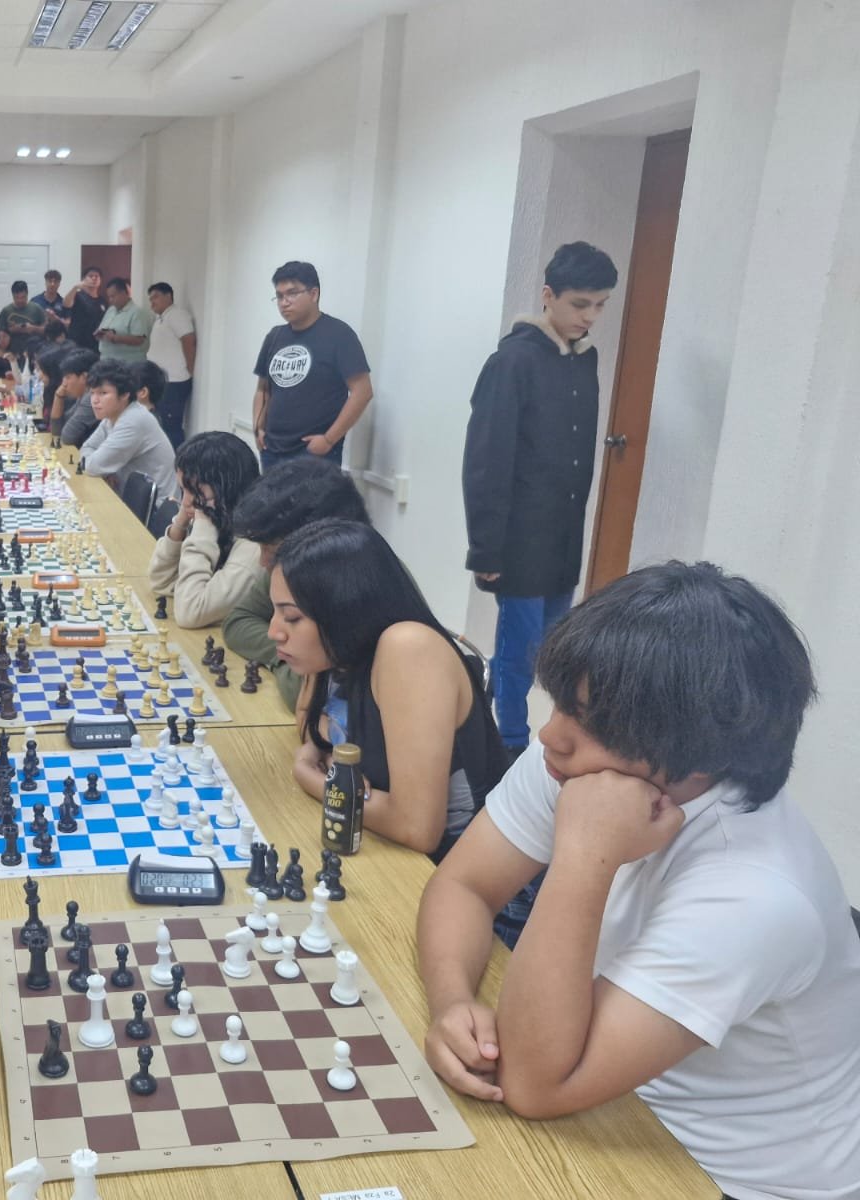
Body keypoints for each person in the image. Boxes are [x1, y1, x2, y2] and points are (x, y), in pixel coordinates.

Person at [416, 563, 860, 1199]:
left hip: (731, 1179)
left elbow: (535, 1085)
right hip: (613, 1109)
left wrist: (582, 855)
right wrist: (452, 999)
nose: (550, 734)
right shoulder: (590, 762)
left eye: (591, 720)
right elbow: (464, 886)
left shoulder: (758, 894)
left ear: (700, 756)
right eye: (563, 702)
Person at [462, 241, 618, 762]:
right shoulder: (512, 362)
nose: (590, 317)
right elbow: (486, 461)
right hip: (519, 540)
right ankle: (508, 743)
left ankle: (532, 730)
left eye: (600, 305)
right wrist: (486, 548)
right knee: (519, 650)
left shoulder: (583, 361)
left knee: (554, 649)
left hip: (563, 537)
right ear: (548, 295)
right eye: (580, 304)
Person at [270, 519, 505, 855]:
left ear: (343, 609)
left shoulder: (408, 649)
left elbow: (417, 828)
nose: (274, 632)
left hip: (457, 865)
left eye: (292, 617)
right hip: (388, 846)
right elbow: (308, 719)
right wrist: (320, 752)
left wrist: (313, 778)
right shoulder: (334, 652)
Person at [222, 458, 369, 712]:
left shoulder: (363, 587)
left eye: (270, 549)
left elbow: (301, 694)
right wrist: (285, 653)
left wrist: (292, 657)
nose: (263, 562)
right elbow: (238, 621)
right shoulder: (291, 568)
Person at [252, 260, 372, 471]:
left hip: (314, 452)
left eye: (292, 293)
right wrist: (258, 428)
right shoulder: (275, 336)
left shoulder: (339, 335)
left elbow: (362, 392)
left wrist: (328, 439)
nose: (284, 302)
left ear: (314, 294)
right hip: (272, 449)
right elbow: (263, 389)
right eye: (279, 296)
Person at [148, 432, 261, 628]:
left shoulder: (253, 547)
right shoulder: (220, 520)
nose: (185, 501)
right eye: (183, 490)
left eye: (195, 492)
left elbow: (190, 612)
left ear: (226, 490)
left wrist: (202, 527)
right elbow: (162, 582)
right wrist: (181, 522)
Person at [79, 359, 178, 501]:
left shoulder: (133, 420)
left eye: (103, 393)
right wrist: (104, 470)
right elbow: (87, 448)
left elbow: (92, 466)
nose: (95, 400)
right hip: (130, 497)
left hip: (153, 507)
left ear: (125, 394)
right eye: (92, 393)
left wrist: (102, 468)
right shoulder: (113, 415)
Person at [146, 282, 197, 448]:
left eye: (155, 297)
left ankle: (178, 459)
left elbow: (188, 340)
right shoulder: (161, 318)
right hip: (163, 381)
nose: (152, 302)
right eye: (150, 299)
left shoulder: (177, 314)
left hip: (175, 381)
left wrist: (190, 368)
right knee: (161, 423)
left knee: (171, 426)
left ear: (168, 296)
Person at [95, 277, 152, 364]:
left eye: (113, 296)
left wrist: (115, 338)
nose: (110, 300)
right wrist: (100, 334)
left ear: (124, 293)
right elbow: (102, 328)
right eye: (109, 297)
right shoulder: (111, 310)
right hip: (106, 360)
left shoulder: (137, 312)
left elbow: (139, 340)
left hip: (128, 363)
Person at [55, 348, 101, 447]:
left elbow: (67, 437)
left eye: (68, 377)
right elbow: (57, 431)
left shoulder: (90, 398)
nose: (64, 384)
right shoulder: (82, 395)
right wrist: (58, 397)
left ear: (84, 377)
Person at [0, 280, 47, 364]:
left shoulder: (37, 309)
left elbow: (47, 330)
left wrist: (33, 328)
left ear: (27, 294)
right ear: (12, 295)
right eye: (17, 297)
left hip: (33, 352)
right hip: (11, 353)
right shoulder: (6, 311)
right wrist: (12, 330)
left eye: (23, 297)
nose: (20, 300)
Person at [62, 265, 105, 352]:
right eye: (90, 276)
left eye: (97, 276)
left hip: (95, 342)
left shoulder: (102, 301)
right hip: (77, 341)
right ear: (83, 279)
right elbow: (66, 304)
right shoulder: (78, 296)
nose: (94, 278)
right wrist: (75, 288)